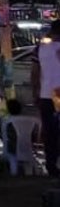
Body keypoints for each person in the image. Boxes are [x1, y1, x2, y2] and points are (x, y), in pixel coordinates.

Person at [36, 20, 60, 177]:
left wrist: (35, 92)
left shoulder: (39, 49)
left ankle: (51, 166)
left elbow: (34, 73)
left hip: (45, 95)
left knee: (50, 132)